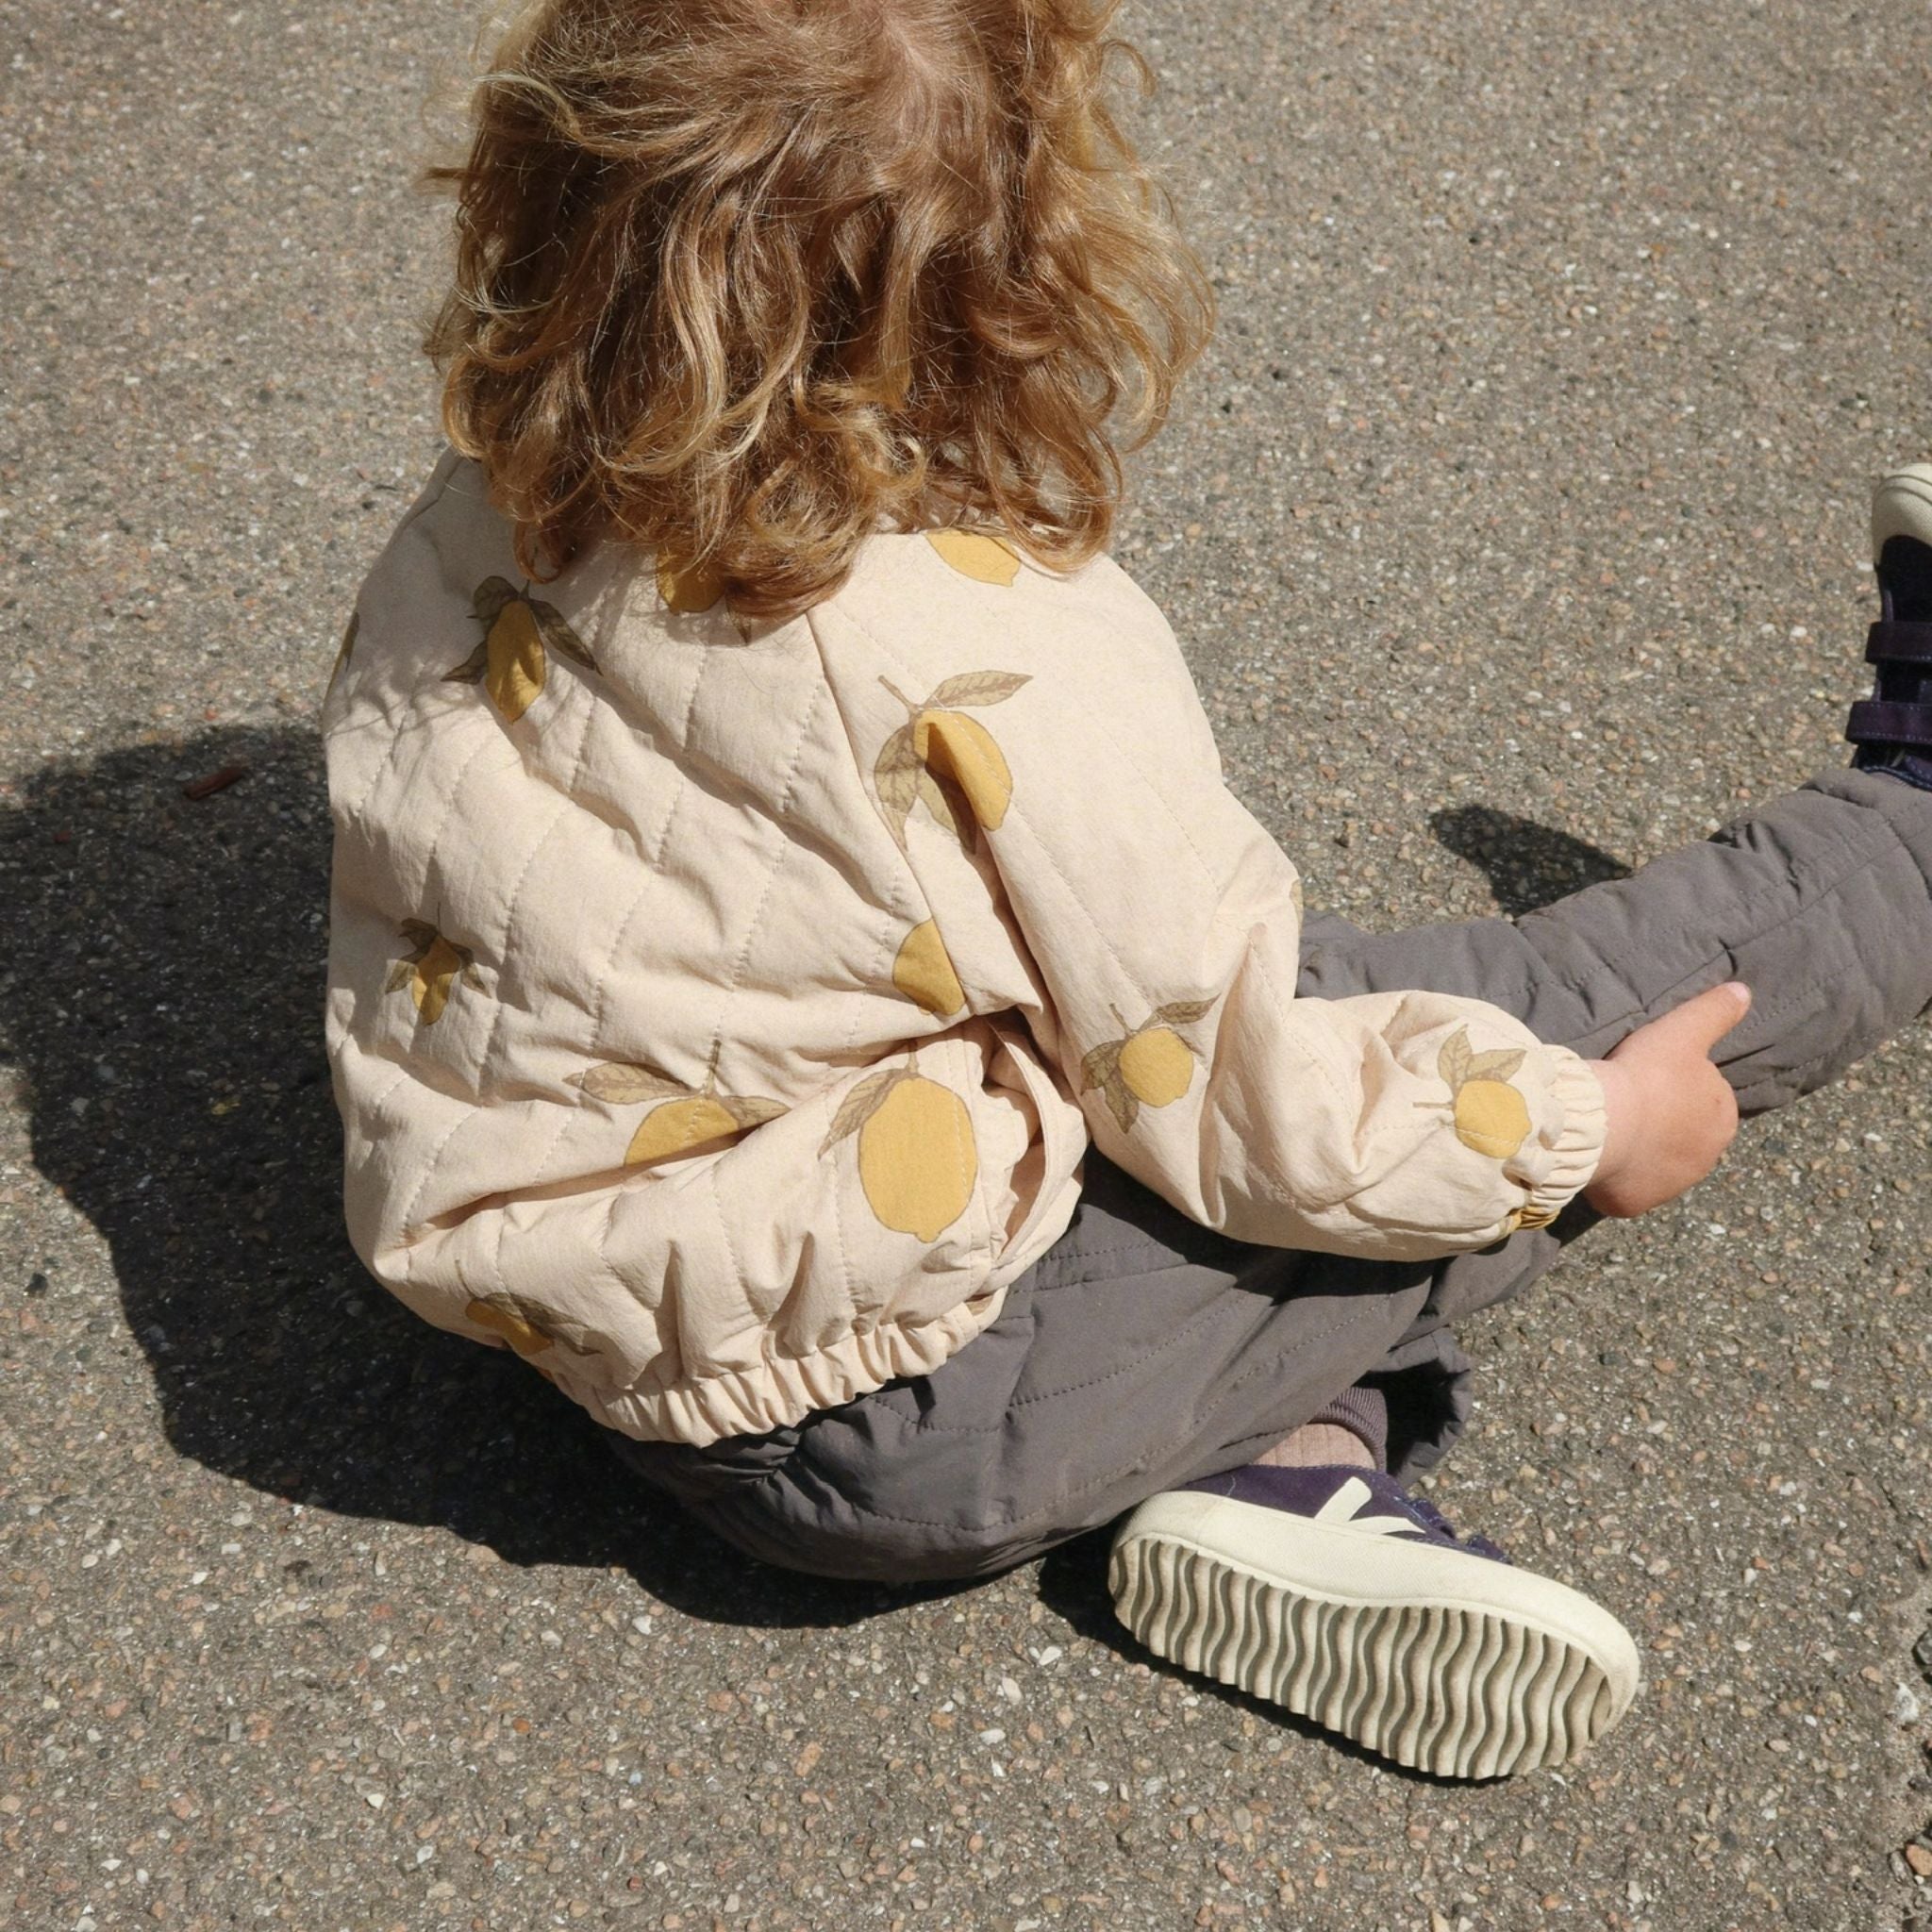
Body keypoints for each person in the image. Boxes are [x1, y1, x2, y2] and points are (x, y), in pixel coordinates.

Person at [320, 0, 1932, 1778]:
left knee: (1214, 1048)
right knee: (1497, 1028)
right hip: (890, 1410)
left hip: (575, 1305)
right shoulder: (983, 646)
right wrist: (1592, 1133)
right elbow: (1245, 1098)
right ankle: (1914, 817)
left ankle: (1292, 1475)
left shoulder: (488, 497)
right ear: (1023, 260)